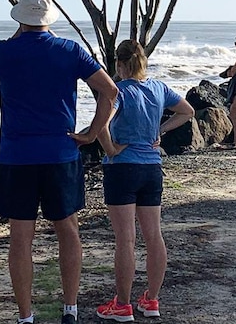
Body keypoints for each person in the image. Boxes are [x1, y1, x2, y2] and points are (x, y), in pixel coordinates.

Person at [0, 0, 119, 324]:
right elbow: (110, 91)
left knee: (20, 236)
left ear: (20, 18)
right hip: (60, 153)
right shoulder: (69, 50)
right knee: (67, 229)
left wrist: (18, 32)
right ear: (48, 19)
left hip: (16, 155)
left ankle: (26, 316)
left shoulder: (3, 51)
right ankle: (69, 309)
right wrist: (92, 133)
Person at [87, 40, 195, 322]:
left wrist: (110, 150)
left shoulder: (118, 91)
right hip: (151, 168)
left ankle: (122, 304)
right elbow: (187, 111)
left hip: (123, 168)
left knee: (125, 238)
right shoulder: (158, 88)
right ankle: (151, 300)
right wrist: (161, 129)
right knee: (153, 235)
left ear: (120, 65)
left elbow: (101, 124)